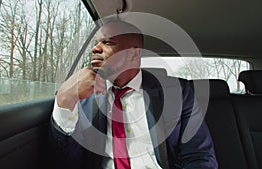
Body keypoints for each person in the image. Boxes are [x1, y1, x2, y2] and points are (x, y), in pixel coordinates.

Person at [49, 19, 218, 169]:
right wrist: (64, 100)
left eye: (107, 42)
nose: (95, 49)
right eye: (95, 43)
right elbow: (65, 161)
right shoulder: (83, 99)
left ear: (134, 53)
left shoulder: (177, 93)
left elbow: (199, 157)